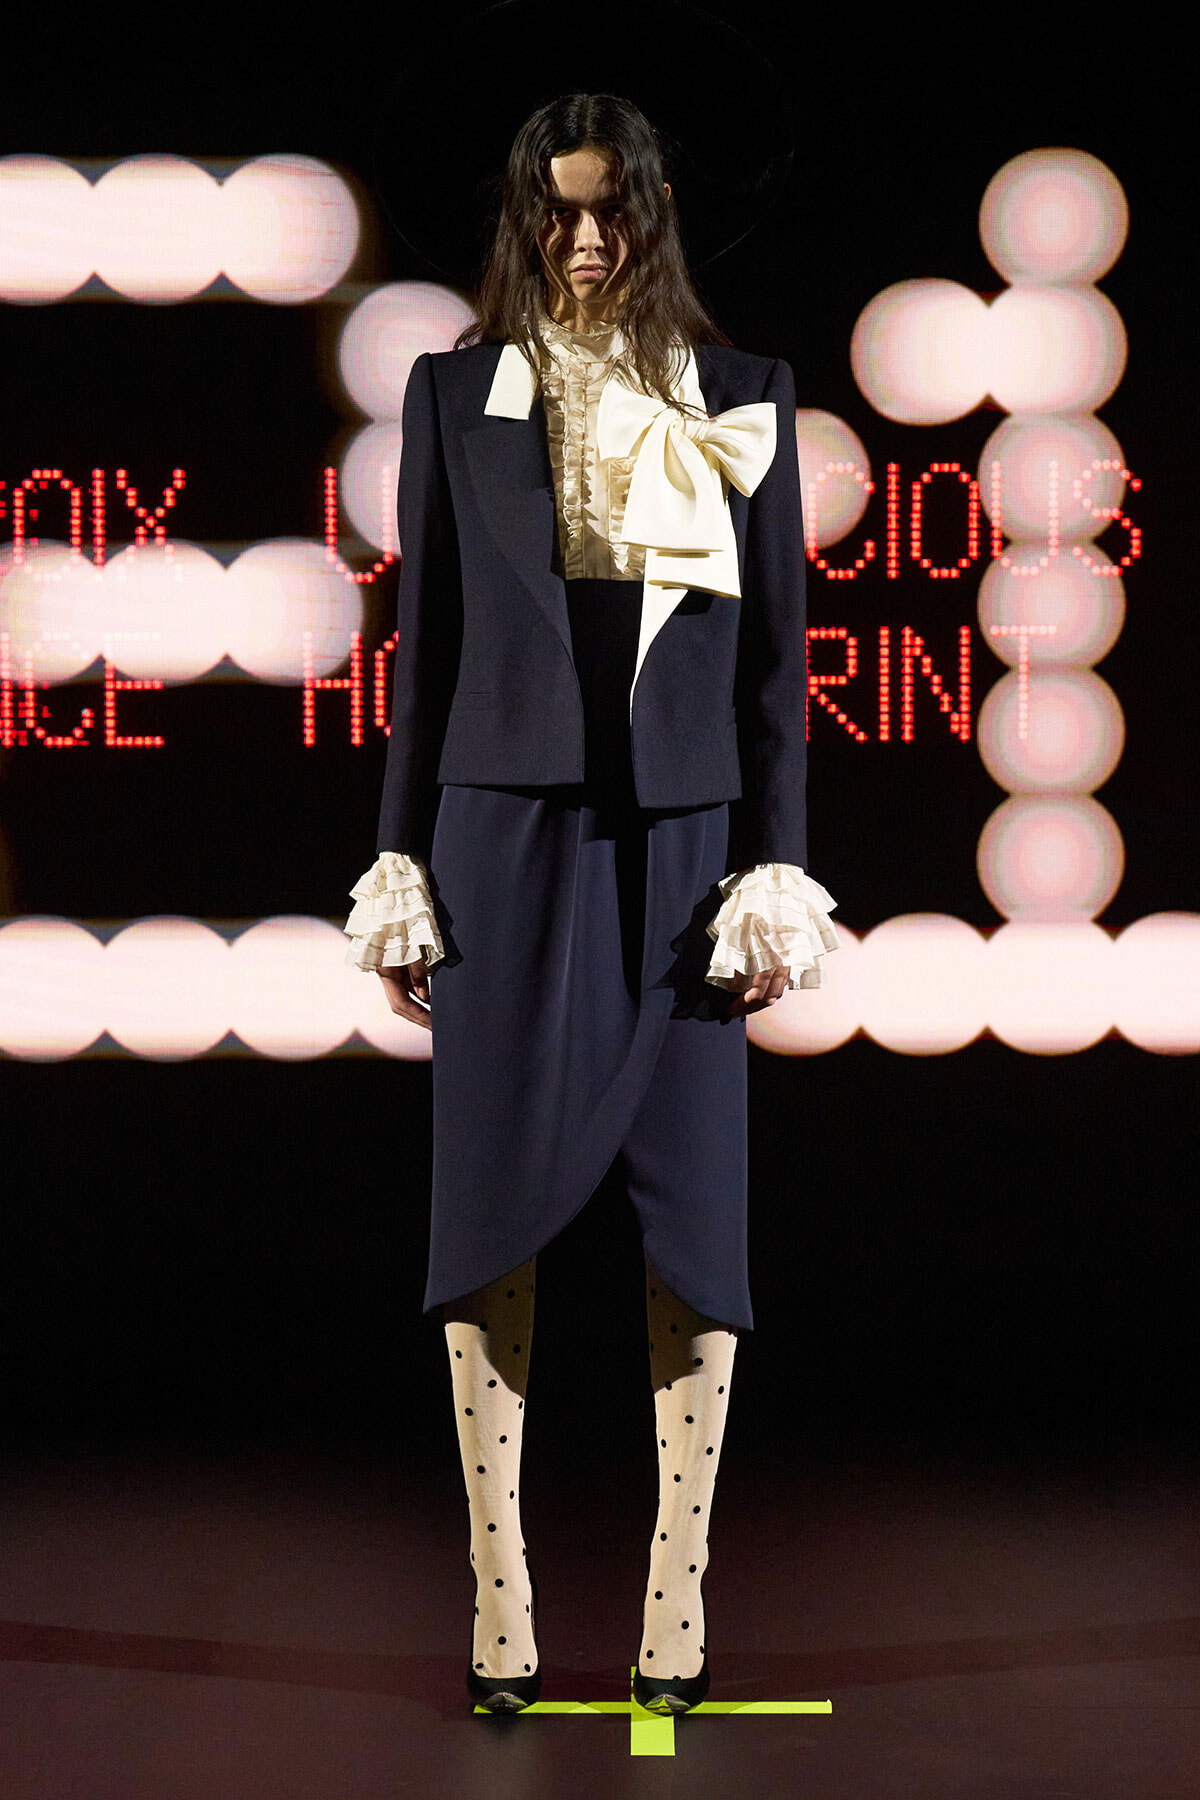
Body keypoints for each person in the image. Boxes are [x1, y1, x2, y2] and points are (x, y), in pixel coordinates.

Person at [344, 93, 839, 1715]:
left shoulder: (747, 397)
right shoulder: (450, 396)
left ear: (651, 215)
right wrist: (400, 863)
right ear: (519, 218)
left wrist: (775, 868)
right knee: (487, 1206)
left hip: (687, 856)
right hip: (497, 839)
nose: (580, 240)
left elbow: (778, 679)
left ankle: (674, 1600)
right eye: (554, 211)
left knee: (695, 1219)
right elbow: (422, 652)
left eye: (608, 210)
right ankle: (503, 1606)